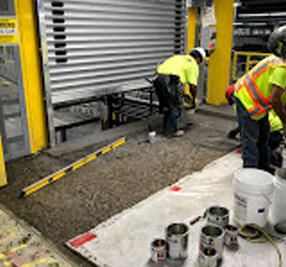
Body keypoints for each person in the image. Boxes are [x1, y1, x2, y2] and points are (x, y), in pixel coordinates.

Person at [233, 25, 286, 172]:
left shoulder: (280, 62)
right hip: (246, 100)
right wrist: (284, 119)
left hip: (260, 106)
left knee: (263, 137)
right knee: (251, 140)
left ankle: (263, 167)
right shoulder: (281, 69)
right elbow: (276, 100)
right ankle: (250, 172)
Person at [226, 84, 283, 167]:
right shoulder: (253, 99)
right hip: (278, 129)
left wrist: (237, 135)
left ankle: (274, 163)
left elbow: (245, 126)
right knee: (263, 146)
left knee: (256, 146)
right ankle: (268, 165)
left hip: (273, 131)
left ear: (232, 98)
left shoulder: (240, 103)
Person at [153, 47, 206, 137]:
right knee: (175, 106)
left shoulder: (178, 57)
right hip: (170, 81)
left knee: (167, 105)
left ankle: (166, 128)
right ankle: (171, 131)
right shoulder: (192, 64)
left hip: (158, 79)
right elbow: (193, 86)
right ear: (198, 59)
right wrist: (194, 99)